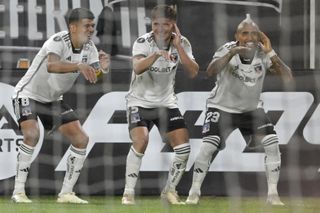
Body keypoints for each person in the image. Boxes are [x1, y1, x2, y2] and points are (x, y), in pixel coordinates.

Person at [186, 14, 292, 205]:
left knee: (272, 144)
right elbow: (210, 71)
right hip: (221, 106)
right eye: (245, 33)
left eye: (253, 33)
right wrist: (232, 53)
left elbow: (288, 78)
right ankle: (194, 192)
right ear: (237, 35)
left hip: (251, 110)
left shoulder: (263, 52)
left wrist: (271, 52)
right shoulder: (227, 49)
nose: (249, 38)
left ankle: (273, 195)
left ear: (259, 36)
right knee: (208, 146)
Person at [11, 8, 110, 204]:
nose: (91, 29)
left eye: (92, 25)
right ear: (73, 27)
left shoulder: (89, 48)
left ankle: (66, 193)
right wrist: (79, 66)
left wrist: (102, 70)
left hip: (53, 100)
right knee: (31, 135)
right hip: (27, 94)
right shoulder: (58, 40)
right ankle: (18, 192)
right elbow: (52, 65)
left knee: (81, 139)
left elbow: (94, 77)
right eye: (86, 25)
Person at [122, 5, 199, 205]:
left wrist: (179, 47)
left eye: (166, 24)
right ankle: (128, 193)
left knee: (183, 148)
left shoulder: (182, 43)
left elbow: (193, 71)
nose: (160, 28)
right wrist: (156, 54)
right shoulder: (143, 42)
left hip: (166, 103)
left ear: (173, 25)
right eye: (156, 24)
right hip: (139, 102)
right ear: (152, 23)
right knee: (141, 141)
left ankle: (169, 191)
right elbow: (137, 68)